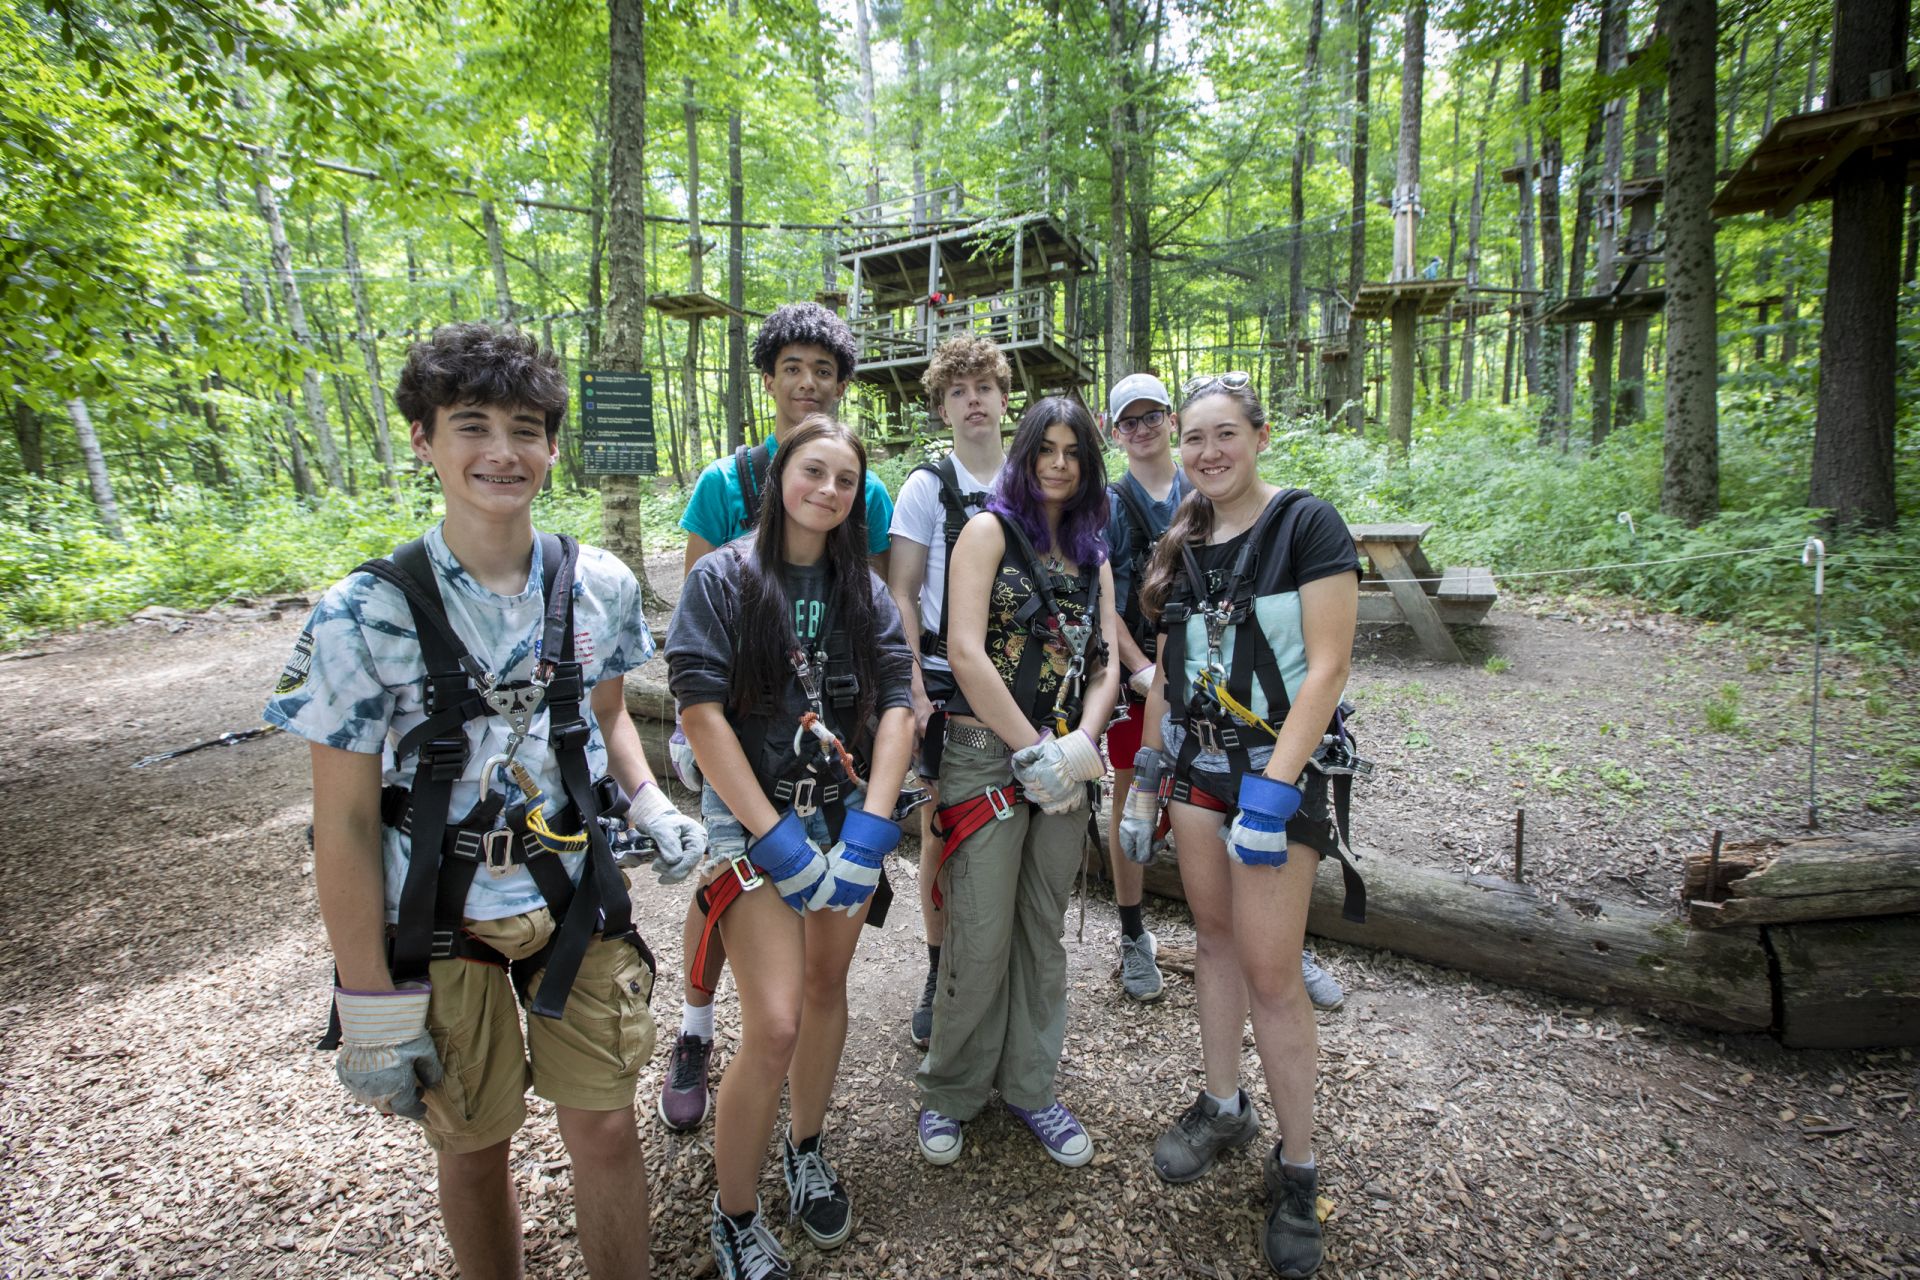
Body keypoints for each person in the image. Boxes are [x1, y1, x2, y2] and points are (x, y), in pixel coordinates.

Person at [266, 323, 705, 1280]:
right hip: (437, 915)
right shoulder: (361, 614)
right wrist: (367, 999)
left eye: (526, 428)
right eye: (471, 426)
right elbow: (340, 822)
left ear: (553, 446)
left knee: (602, 1129)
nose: (502, 452)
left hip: (574, 897)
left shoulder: (598, 586)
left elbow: (604, 719)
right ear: (423, 439)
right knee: (470, 1147)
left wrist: (648, 799)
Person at [1120, 372, 1363, 1278]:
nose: (1209, 452)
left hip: (1275, 774)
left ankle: (1298, 1167)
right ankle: (1224, 1103)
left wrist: (1273, 796)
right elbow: (1171, 676)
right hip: (1195, 774)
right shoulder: (1183, 543)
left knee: (1272, 971)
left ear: (1260, 435)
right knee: (1214, 944)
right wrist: (1146, 780)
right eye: (1194, 439)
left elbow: (1328, 666)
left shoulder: (1307, 525)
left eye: (1226, 434)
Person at [665, 414, 915, 1279]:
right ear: (778, 481)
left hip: (843, 816)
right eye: (814, 473)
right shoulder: (726, 579)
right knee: (771, 1024)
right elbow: (700, 714)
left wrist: (872, 830)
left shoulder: (864, 590)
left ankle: (805, 1149)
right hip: (753, 821)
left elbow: (895, 703)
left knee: (824, 990)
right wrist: (775, 845)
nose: (829, 492)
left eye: (845, 481)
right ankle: (733, 1214)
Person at [659, 301, 896, 1134]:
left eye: (823, 371)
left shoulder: (863, 485)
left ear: (841, 385)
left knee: (808, 955)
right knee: (727, 879)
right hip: (736, 720)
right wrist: (696, 726)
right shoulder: (726, 482)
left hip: (822, 730)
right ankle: (693, 1025)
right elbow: (699, 597)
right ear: (768, 381)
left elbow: (864, 607)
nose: (806, 384)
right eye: (791, 368)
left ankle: (801, 1132)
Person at [914, 396, 1121, 1169]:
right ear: (1024, 455)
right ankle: (952, 1090)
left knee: (1043, 928)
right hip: (982, 755)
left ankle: (1032, 1086)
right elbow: (964, 649)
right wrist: (1030, 745)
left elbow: (1102, 663)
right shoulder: (986, 532)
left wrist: (1078, 747)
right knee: (981, 924)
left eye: (1073, 451)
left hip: (1064, 765)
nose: (1058, 464)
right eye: (1046, 449)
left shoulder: (1095, 553)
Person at [1103, 373, 1346, 1013]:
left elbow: (1326, 663)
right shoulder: (1132, 514)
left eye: (1154, 415)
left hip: (1263, 731)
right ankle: (1136, 937)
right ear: (1116, 431)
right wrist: (1140, 674)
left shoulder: (1265, 510)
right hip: (1165, 698)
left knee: (1267, 944)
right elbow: (1113, 599)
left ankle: (1284, 944)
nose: (1145, 429)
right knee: (1206, 922)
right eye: (1129, 420)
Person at [886, 335, 1010, 1049]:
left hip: (1023, 679)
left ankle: (1004, 969)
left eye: (983, 387)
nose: (973, 401)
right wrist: (914, 692)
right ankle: (940, 968)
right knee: (943, 826)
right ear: (942, 407)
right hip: (942, 677)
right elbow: (901, 591)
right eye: (958, 391)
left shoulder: (1034, 477)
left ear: (1002, 397)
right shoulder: (926, 488)